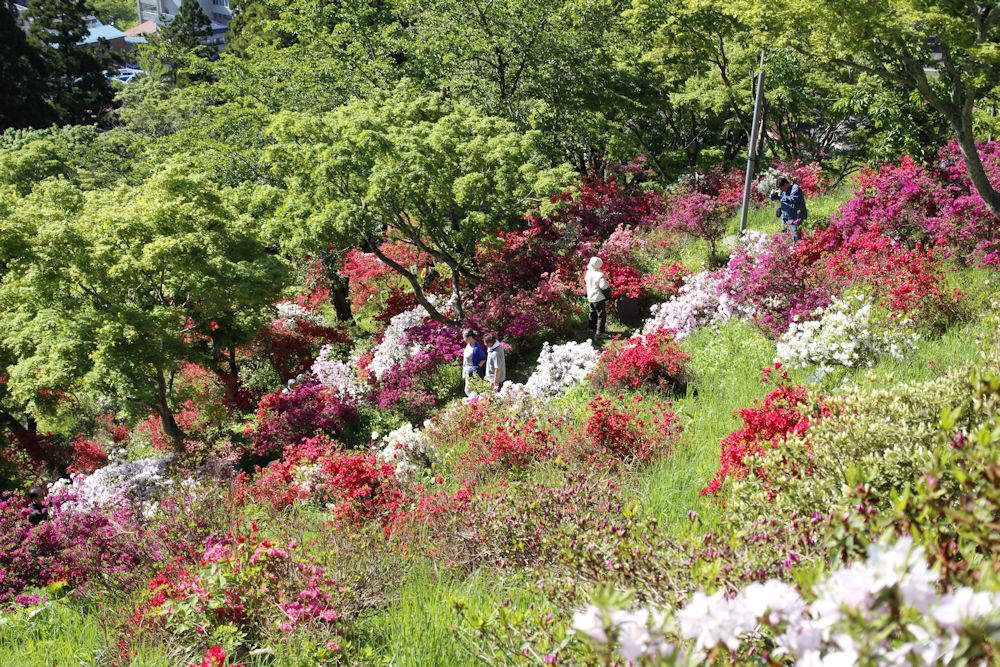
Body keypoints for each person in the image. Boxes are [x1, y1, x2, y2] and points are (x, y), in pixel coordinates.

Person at [770, 176, 808, 243]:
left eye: (781, 188)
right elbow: (781, 199)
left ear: (785, 184)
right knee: (784, 236)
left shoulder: (795, 188)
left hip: (795, 218)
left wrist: (779, 197)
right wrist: (773, 197)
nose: (781, 190)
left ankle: (796, 251)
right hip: (785, 217)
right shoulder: (784, 190)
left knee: (795, 238)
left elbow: (791, 200)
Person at [585, 257, 610, 338]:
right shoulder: (599, 275)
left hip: (590, 297)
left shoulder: (588, 273)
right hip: (598, 298)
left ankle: (591, 329)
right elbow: (603, 286)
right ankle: (600, 333)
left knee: (592, 313)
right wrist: (607, 283)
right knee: (601, 315)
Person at [462, 327, 487, 397]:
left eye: (465, 338)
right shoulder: (468, 345)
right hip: (467, 369)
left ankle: (475, 402)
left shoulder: (476, 348)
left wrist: (477, 368)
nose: (464, 340)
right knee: (468, 389)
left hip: (473, 371)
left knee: (469, 390)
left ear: (470, 337)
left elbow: (483, 359)